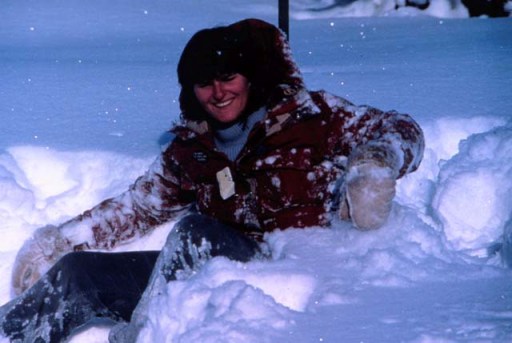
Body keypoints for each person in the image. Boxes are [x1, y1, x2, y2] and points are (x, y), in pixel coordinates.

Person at [0, 18, 424, 343]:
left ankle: (153, 334)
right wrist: (60, 241)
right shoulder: (192, 148)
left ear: (251, 78)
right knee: (79, 275)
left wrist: (376, 163)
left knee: (194, 233)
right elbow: (141, 206)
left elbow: (402, 127)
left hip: (296, 283)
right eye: (204, 83)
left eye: (228, 78)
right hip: (208, 281)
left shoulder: (314, 117)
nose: (218, 92)